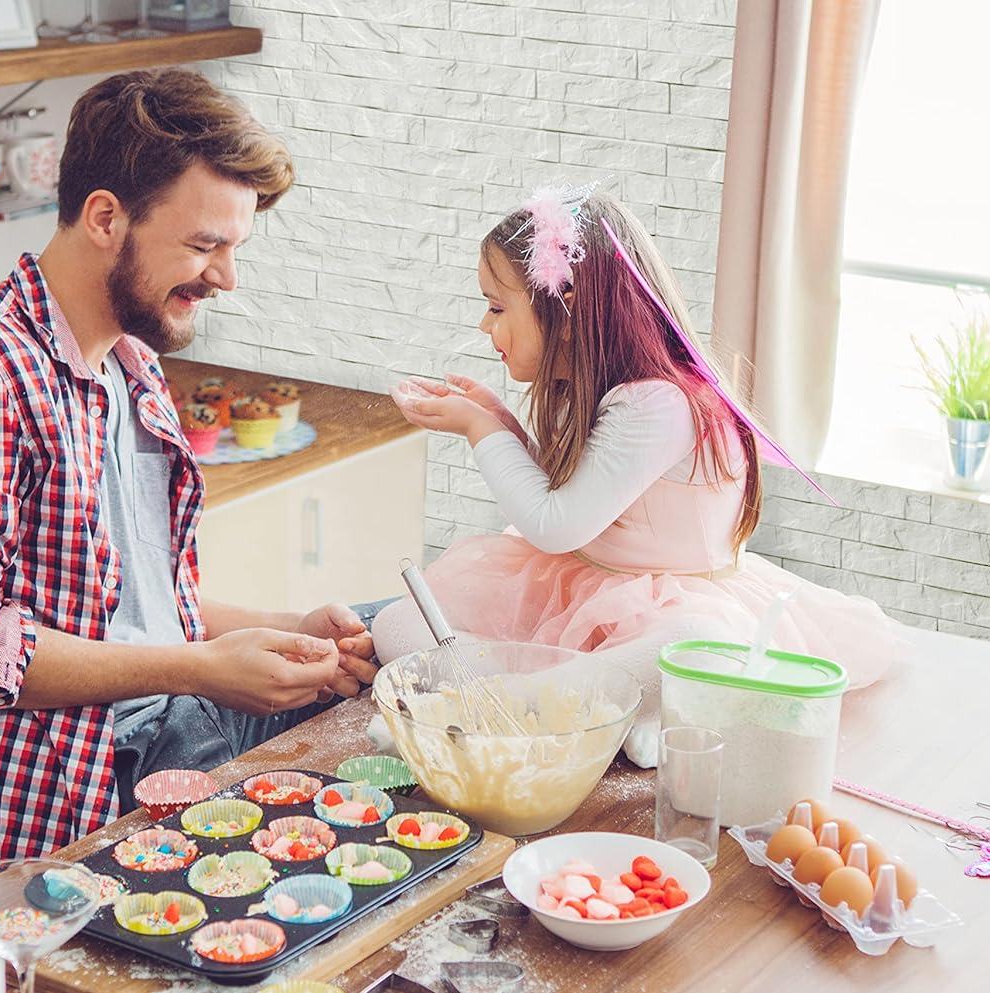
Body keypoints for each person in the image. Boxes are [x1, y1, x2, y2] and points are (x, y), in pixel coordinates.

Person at [0, 69, 378, 917]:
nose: (227, 277)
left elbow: (129, 600)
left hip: (162, 735)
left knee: (393, 649)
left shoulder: (130, 363)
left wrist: (279, 628)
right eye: (206, 245)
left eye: (235, 248)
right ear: (106, 217)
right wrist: (201, 669)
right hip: (48, 806)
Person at [372, 188, 900, 765]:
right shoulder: (602, 390)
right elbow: (575, 501)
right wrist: (501, 421)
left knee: (698, 645)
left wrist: (482, 431)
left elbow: (555, 525)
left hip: (673, 606)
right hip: (584, 589)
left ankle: (514, 703)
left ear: (566, 311)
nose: (483, 324)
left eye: (497, 308)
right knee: (400, 623)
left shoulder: (660, 405)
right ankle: (591, 709)